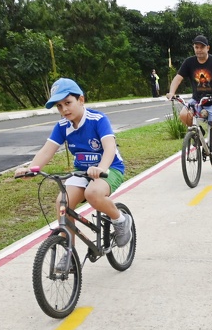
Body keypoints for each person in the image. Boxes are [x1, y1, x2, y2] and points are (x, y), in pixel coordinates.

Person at [14, 77, 132, 254]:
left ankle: (120, 220)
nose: (64, 109)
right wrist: (30, 169)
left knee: (93, 193)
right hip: (82, 171)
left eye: (68, 103)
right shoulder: (62, 126)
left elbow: (109, 147)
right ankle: (68, 252)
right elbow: (46, 151)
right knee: (62, 202)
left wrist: (101, 168)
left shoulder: (98, 119)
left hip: (109, 168)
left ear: (81, 99)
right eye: (59, 106)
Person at [167, 35, 212, 171]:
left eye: (202, 47)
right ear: (193, 48)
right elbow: (178, 78)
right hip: (197, 100)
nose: (199, 50)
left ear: (208, 48)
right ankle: (198, 133)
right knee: (183, 115)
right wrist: (171, 92)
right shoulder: (189, 62)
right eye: (196, 47)